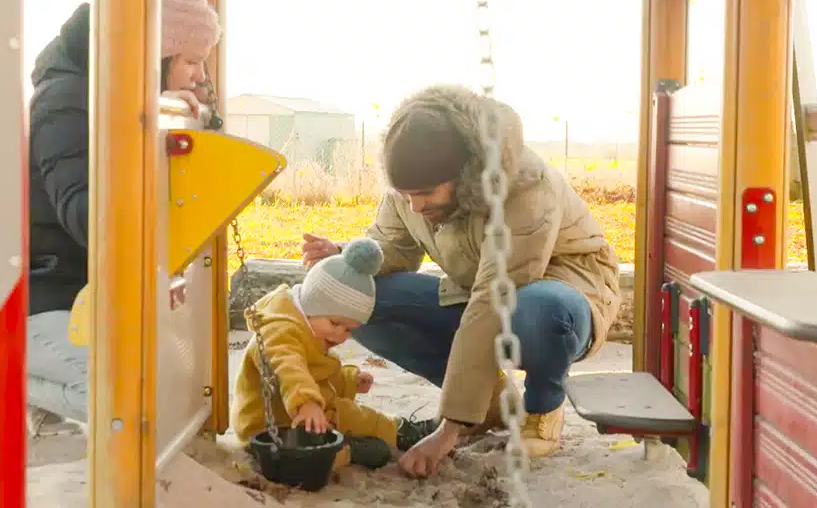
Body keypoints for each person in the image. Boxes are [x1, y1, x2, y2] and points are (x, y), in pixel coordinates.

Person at [301, 84, 621, 477]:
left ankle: (541, 410)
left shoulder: (526, 187)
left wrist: (448, 431)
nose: (414, 205)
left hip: (565, 296)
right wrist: (344, 256)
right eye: (405, 195)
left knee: (538, 310)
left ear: (466, 174)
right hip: (479, 295)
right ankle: (487, 405)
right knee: (363, 301)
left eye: (424, 193)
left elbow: (493, 300)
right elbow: (393, 248)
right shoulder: (411, 193)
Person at [25, 0, 221, 429]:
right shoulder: (65, 102)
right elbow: (87, 217)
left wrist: (173, 114)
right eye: (193, 61)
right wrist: (149, 126)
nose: (200, 76)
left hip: (84, 295)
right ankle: (5, 370)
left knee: (157, 391)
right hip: (47, 295)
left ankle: (39, 414)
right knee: (127, 403)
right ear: (157, 50)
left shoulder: (118, 96)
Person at [231, 238, 439, 469]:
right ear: (312, 305)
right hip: (267, 429)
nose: (341, 335)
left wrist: (348, 381)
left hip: (303, 416)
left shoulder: (312, 327)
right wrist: (306, 403)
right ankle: (358, 447)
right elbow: (288, 368)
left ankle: (396, 432)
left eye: (349, 330)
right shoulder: (280, 329)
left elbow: (319, 376)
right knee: (330, 438)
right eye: (335, 323)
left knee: (349, 413)